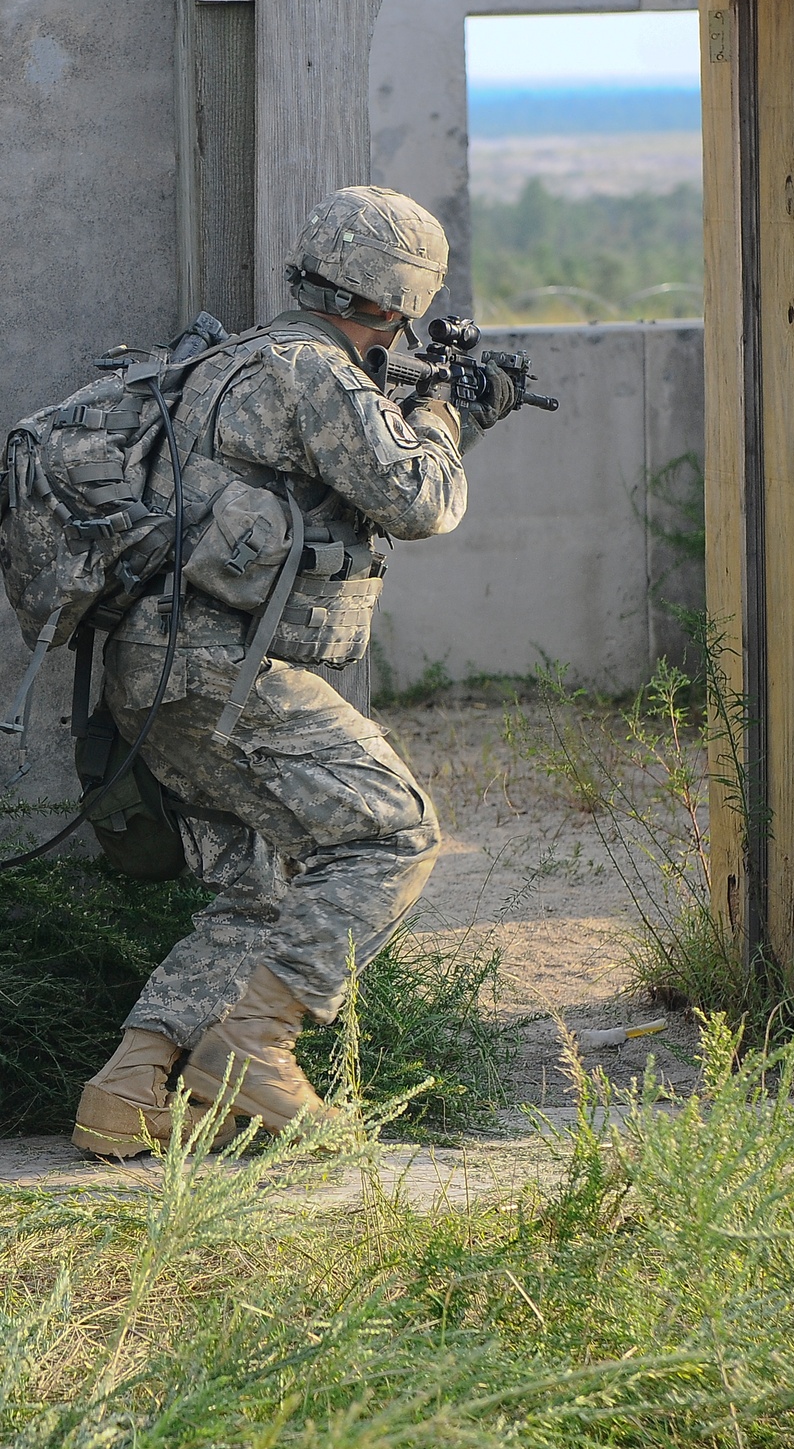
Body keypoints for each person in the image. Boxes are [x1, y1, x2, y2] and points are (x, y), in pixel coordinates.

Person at [71, 186, 516, 1158]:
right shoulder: (313, 371)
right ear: (398, 297)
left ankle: (129, 1083)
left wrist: (429, 410)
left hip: (159, 672)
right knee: (393, 832)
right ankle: (252, 1045)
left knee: (261, 886)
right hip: (226, 673)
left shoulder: (229, 360)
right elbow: (421, 498)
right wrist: (446, 413)